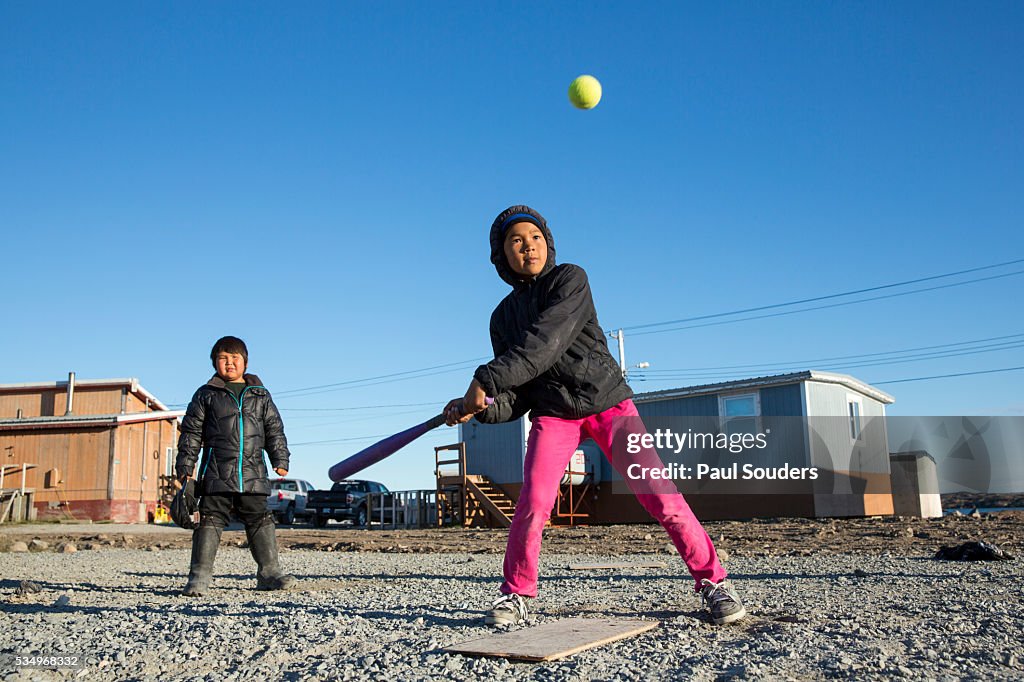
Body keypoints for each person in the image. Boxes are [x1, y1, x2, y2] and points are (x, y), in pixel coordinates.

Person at [444, 205, 745, 626]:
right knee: (533, 502)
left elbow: (543, 342)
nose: (527, 246)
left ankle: (714, 583)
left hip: (608, 404)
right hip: (553, 414)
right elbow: (519, 394)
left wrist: (485, 381)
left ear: (548, 243)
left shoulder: (571, 279)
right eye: (516, 241)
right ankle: (516, 595)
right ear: (501, 256)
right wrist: (481, 408)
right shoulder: (501, 318)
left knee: (661, 497)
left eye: (534, 237)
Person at [175, 335, 296, 596]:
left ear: (245, 362)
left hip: (252, 473)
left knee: (260, 518)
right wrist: (186, 466)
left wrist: (280, 459)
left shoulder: (261, 395)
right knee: (210, 519)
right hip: (216, 471)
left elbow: (274, 429)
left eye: (234, 358)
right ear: (214, 363)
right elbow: (191, 433)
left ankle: (269, 574)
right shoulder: (206, 394)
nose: (229, 363)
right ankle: (199, 578)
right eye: (223, 358)